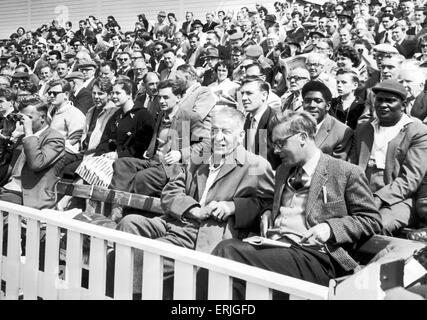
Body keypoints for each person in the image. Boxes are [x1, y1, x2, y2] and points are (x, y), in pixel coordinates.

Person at [203, 110, 382, 299]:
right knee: (228, 253)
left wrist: (330, 228)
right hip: (275, 247)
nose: (276, 151)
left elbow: (371, 219)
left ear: (302, 137)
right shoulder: (283, 171)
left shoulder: (344, 172)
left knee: (228, 252)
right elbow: (269, 203)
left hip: (315, 257)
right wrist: (266, 213)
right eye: (274, 145)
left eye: (281, 143)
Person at [111, 106, 275, 296]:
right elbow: (171, 190)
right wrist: (193, 209)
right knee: (128, 224)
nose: (218, 137)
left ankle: (129, 293)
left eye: (226, 132)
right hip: (178, 220)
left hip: (204, 231)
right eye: (214, 131)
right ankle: (124, 290)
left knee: (151, 255)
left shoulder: (255, 164)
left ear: (240, 136)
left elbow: (268, 203)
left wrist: (233, 207)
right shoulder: (199, 159)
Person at [349, 79, 427, 235]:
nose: (383, 104)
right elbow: (351, 167)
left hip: (398, 199)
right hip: (362, 194)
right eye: (379, 99)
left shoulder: (417, 131)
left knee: (378, 225)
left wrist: (378, 198)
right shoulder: (364, 128)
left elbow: (410, 179)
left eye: (391, 101)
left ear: (403, 105)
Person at [0, 96, 65, 209]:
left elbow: (36, 164)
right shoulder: (22, 138)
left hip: (29, 196)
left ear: (43, 117)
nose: (23, 121)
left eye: (29, 117)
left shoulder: (54, 139)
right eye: (22, 117)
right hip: (8, 190)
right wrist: (5, 134)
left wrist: (29, 133)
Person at [301, 81, 353, 160]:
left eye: (318, 101)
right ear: (302, 104)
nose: (312, 105)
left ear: (328, 106)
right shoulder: (293, 126)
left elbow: (336, 168)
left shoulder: (342, 133)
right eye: (308, 101)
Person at [240, 77, 281, 170]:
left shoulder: (275, 120)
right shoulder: (248, 119)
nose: (243, 98)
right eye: (242, 93)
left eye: (249, 93)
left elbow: (273, 160)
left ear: (264, 95)